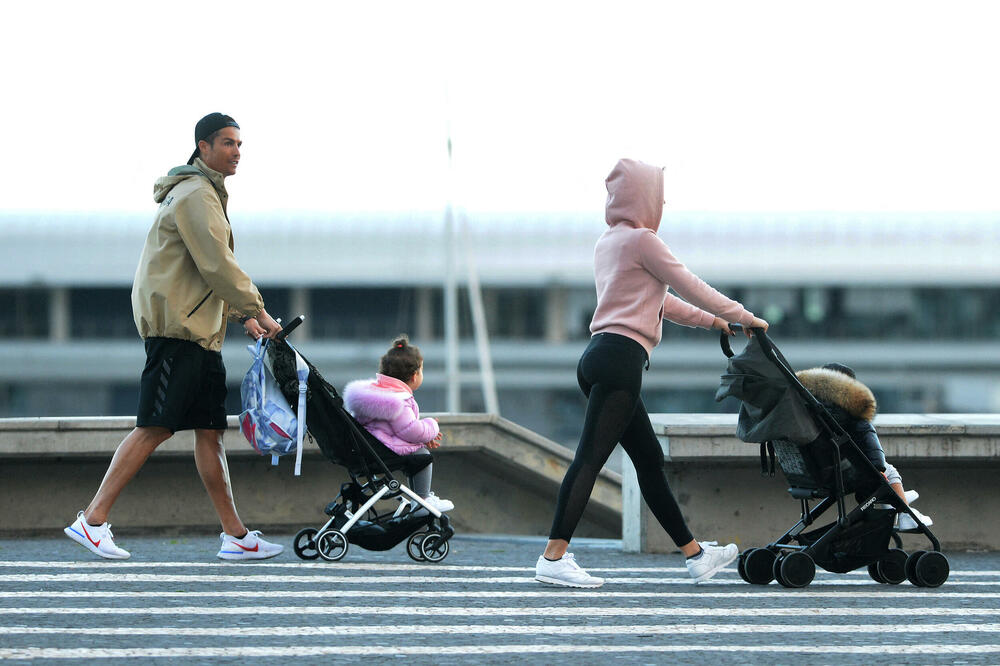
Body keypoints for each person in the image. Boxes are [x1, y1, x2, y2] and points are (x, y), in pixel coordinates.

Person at [534, 158, 770, 588]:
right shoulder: (644, 241)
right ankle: (554, 556)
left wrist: (714, 322)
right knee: (590, 458)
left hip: (598, 356)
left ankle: (695, 555)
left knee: (648, 461)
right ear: (644, 197)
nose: (662, 202)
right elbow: (687, 282)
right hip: (622, 359)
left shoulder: (609, 242)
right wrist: (745, 316)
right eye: (659, 195)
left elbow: (659, 301)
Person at [64, 113, 285, 561]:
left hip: (200, 334)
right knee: (155, 426)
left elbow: (204, 271)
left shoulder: (205, 194)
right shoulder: (195, 195)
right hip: (177, 332)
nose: (237, 151)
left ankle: (236, 536)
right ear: (202, 147)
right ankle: (92, 521)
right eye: (227, 143)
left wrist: (241, 317)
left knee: (210, 433)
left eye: (240, 144)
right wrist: (257, 309)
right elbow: (216, 264)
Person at [797, 362, 933, 531]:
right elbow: (872, 449)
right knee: (888, 472)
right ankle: (905, 513)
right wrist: (879, 470)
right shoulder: (853, 413)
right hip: (841, 475)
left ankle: (895, 502)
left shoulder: (809, 412)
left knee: (881, 479)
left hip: (812, 474)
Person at [343, 335, 454, 515]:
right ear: (414, 375)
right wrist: (432, 426)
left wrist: (421, 439)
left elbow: (396, 431)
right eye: (422, 370)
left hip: (369, 448)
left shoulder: (376, 394)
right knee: (422, 456)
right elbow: (411, 431)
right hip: (382, 452)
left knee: (417, 451)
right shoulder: (398, 401)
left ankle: (419, 500)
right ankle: (422, 501)